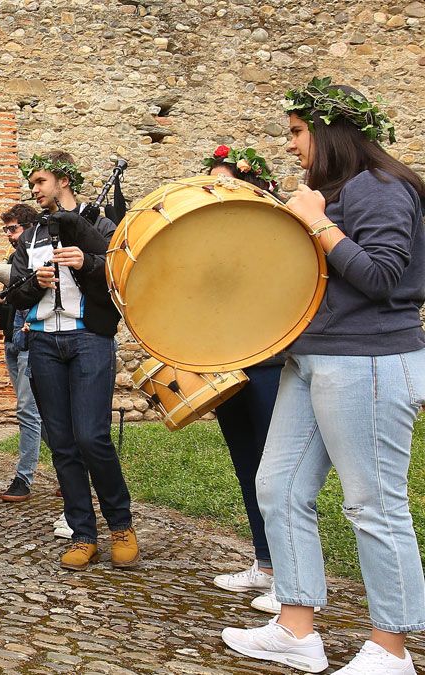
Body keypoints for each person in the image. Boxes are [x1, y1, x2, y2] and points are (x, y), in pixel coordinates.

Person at [222, 79, 425, 675]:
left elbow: (384, 276)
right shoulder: (338, 192)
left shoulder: (382, 189)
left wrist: (316, 223)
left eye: (296, 133)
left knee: (374, 505)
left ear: (331, 133)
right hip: (313, 360)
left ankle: (391, 649)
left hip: (369, 362)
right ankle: (296, 629)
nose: (289, 147)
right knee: (280, 488)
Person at [6, 151, 140, 571]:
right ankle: (84, 534)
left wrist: (88, 262)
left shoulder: (100, 224)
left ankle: (121, 525)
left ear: (63, 179)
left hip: (88, 339)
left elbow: (124, 273)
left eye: (41, 181)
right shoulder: (31, 237)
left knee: (91, 437)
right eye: (32, 184)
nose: (35, 189)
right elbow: (16, 294)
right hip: (45, 341)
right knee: (61, 443)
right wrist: (36, 283)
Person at [200, 146, 288, 613]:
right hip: (228, 363)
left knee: (277, 471)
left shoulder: (280, 233)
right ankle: (265, 562)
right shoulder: (212, 242)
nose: (220, 190)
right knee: (246, 465)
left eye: (227, 181)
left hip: (273, 362)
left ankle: (291, 578)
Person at [0, 204, 47, 504]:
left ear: (30, 227)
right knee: (42, 414)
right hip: (13, 340)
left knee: (27, 411)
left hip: (31, 340)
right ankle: (73, 468)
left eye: (13, 229)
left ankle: (23, 478)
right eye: (6, 230)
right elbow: (16, 301)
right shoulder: (15, 258)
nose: (8, 235)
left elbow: (36, 296)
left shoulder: (39, 255)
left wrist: (4, 294)